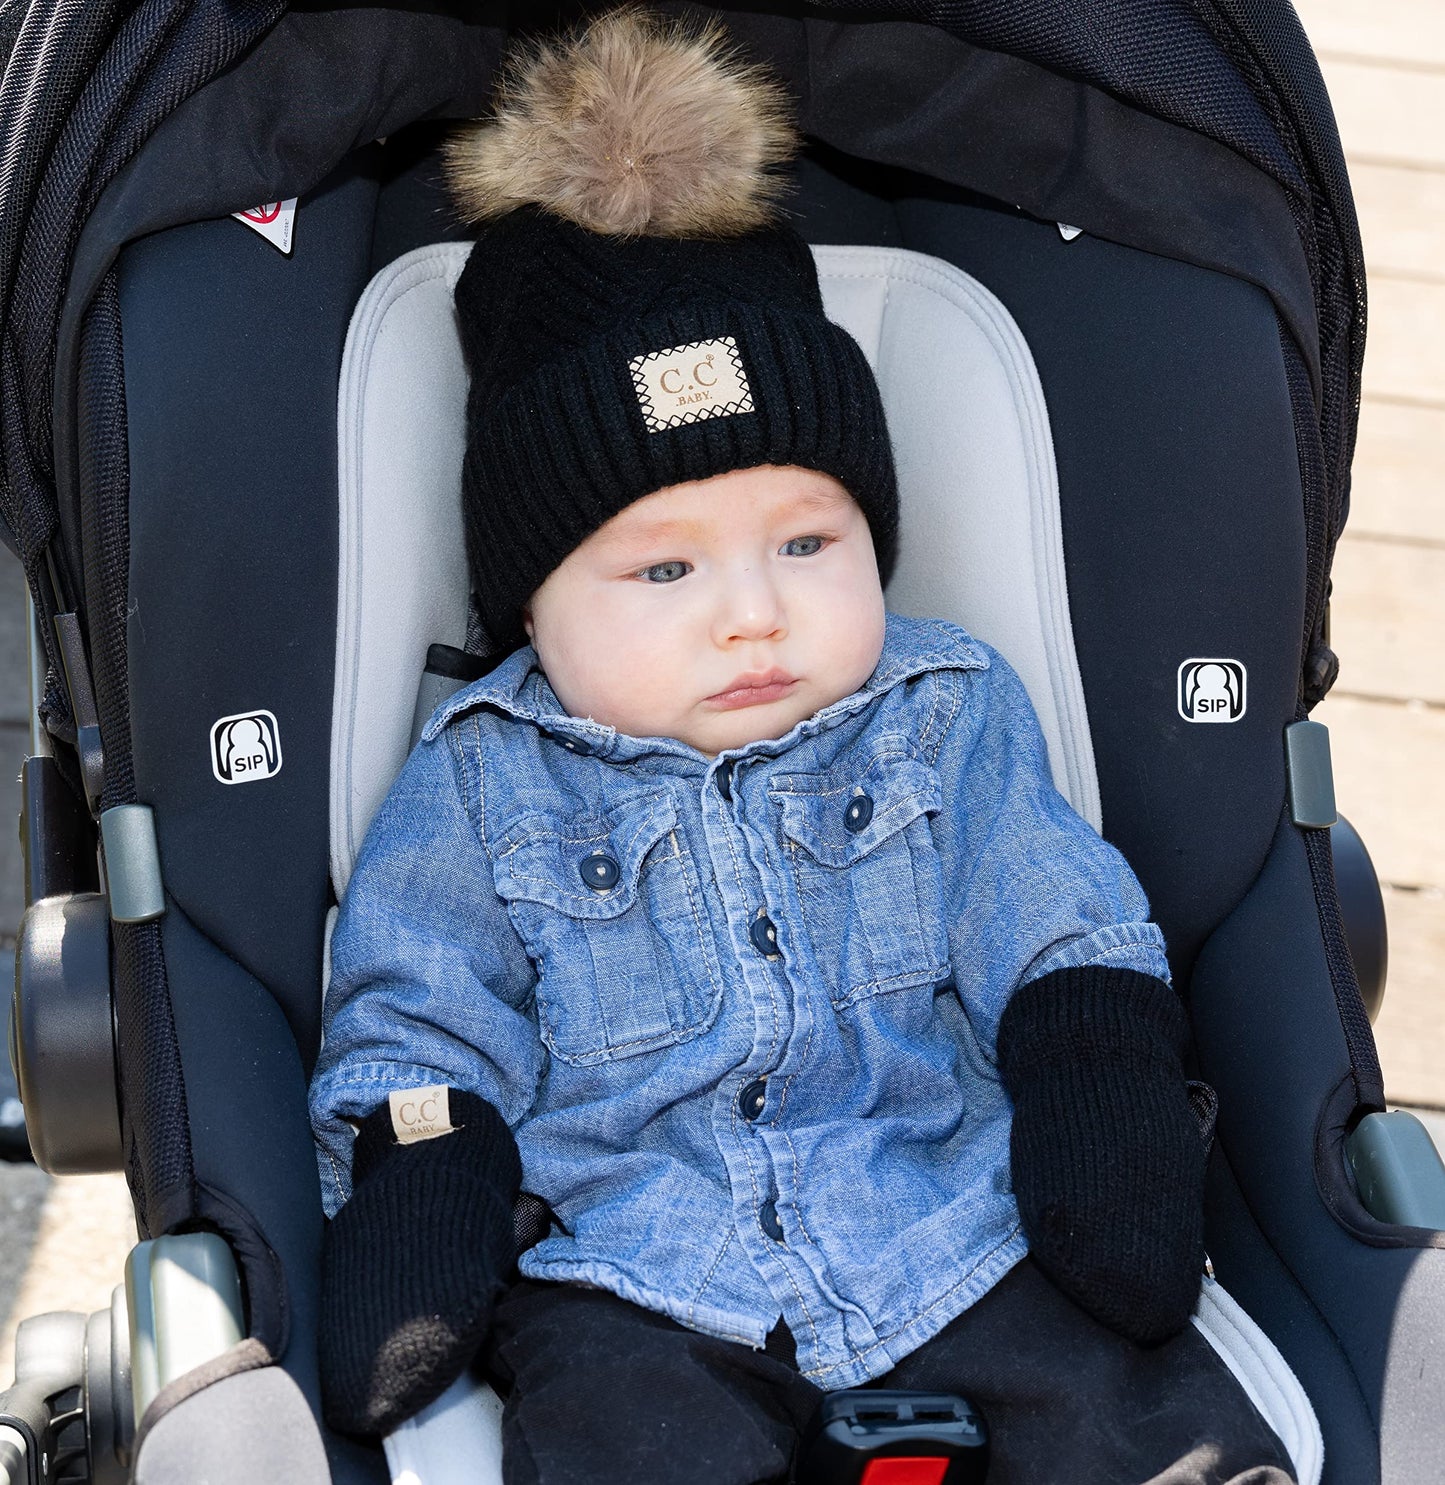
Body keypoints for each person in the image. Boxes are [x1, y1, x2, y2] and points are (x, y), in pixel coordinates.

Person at [308, 12, 1296, 1483]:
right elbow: (422, 1017)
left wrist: (1096, 1084)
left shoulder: (945, 706)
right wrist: (426, 1181)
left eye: (807, 539)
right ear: (533, 603)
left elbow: (1052, 921)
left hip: (965, 1227)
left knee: (1141, 1416)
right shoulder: (479, 772)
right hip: (637, 1270)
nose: (751, 614)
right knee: (618, 1443)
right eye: (664, 572)